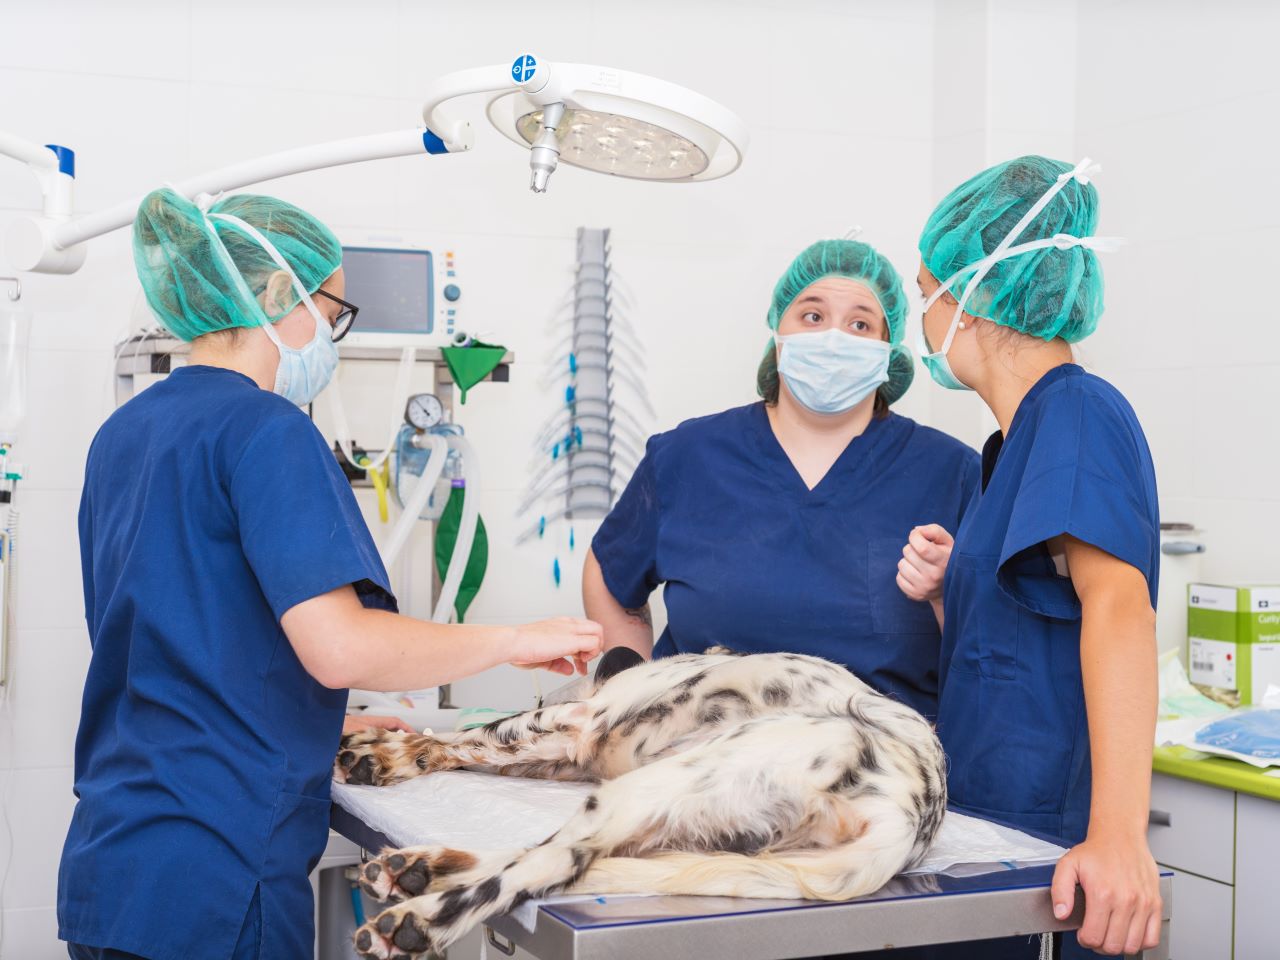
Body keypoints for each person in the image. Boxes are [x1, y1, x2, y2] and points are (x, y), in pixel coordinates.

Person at [59, 189, 603, 960]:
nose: (333, 337)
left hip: (118, 859)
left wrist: (314, 722)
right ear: (282, 296)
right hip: (218, 867)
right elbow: (341, 648)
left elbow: (171, 642)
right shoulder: (266, 429)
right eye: (334, 312)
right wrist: (515, 639)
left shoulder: (126, 432)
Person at [909, 156, 1162, 958]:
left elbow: (1120, 607)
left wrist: (1119, 837)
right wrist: (955, 592)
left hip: (1051, 848)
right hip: (992, 824)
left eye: (925, 295)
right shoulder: (1013, 443)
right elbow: (1030, 627)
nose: (923, 317)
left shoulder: (1078, 413)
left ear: (974, 293)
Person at [583, 239, 979, 720]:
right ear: (778, 333)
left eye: (860, 324)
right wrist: (634, 704)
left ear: (887, 349)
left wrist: (945, 592)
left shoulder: (951, 473)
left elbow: (991, 642)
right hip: (696, 762)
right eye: (812, 317)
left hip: (871, 771)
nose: (834, 338)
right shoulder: (688, 456)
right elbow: (609, 576)